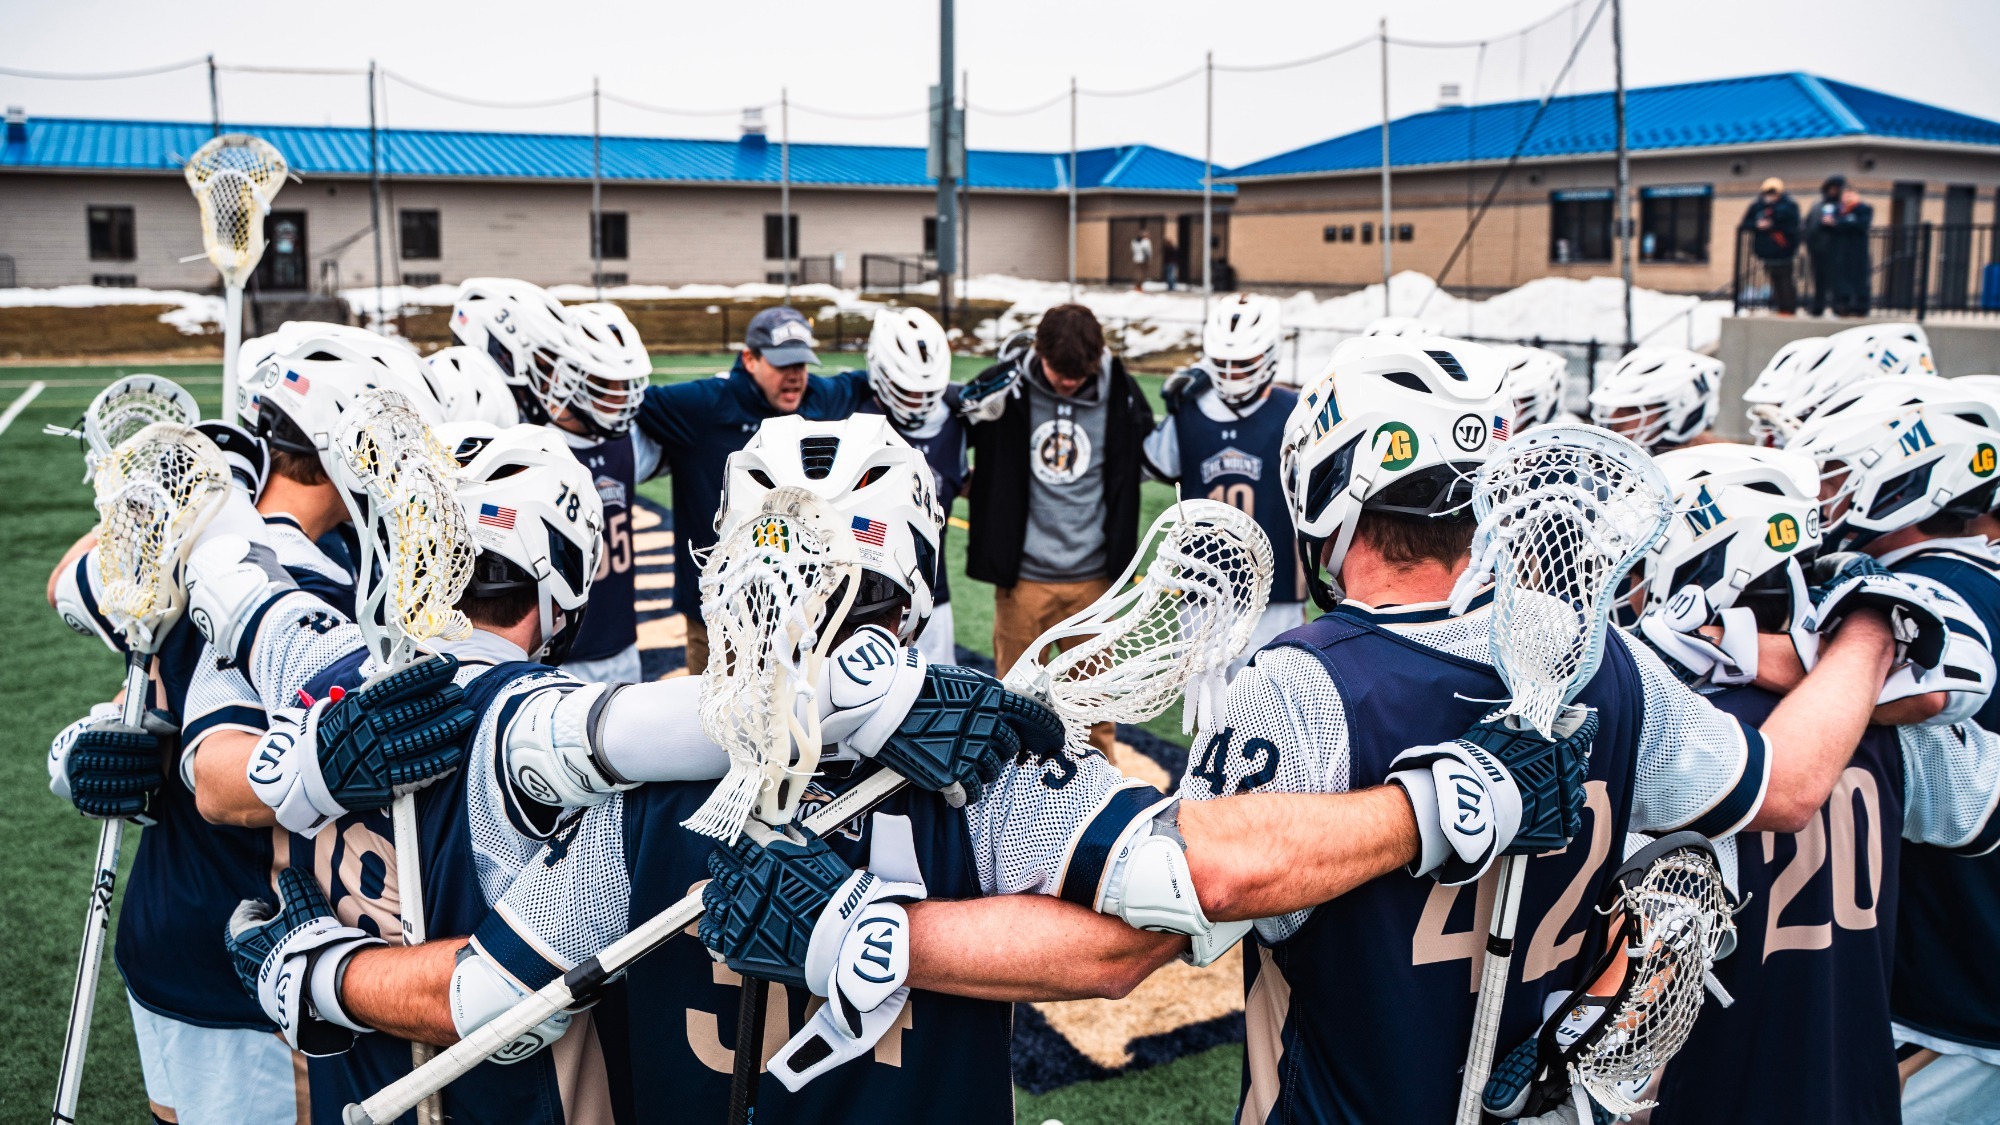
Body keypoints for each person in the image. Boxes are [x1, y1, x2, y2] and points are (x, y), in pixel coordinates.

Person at [707, 335, 1910, 1124]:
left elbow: (1163, 911)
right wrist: (1864, 633)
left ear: (1326, 490)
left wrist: (863, 931)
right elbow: (1787, 783)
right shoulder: (1606, 660)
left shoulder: (1300, 680)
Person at [326, 417, 1121, 1124]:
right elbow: (1148, 919)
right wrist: (894, 936)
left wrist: (318, 976)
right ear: (914, 584)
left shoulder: (634, 786)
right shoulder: (990, 763)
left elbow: (487, 999)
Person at [39, 328, 443, 1125]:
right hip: (250, 939)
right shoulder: (303, 579)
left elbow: (69, 585)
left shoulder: (189, 539)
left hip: (164, 922)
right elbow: (223, 782)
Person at [1632, 443, 2000, 1125]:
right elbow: (1983, 804)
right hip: (1856, 1085)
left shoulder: (1669, 728)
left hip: (1717, 1089)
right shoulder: (1876, 721)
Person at [1789, 376, 2000, 1121]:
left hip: (1953, 999)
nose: (1829, 498)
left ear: (1912, 479)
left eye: (1844, 475)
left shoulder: (1906, 601)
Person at [957, 304, 1155, 751]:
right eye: (1057, 371)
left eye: (1079, 375)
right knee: (1015, 703)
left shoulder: (1121, 390)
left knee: (1094, 708)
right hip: (1023, 578)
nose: (1068, 382)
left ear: (1098, 359)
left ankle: (1103, 800)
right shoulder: (1005, 388)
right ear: (1037, 352)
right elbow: (950, 429)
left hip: (1095, 582)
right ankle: (1008, 799)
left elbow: (1150, 454)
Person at [632, 305, 869, 674]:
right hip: (721, 611)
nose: (794, 377)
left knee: (805, 720)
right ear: (750, 359)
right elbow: (629, 402)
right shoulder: (705, 405)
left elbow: (866, 384)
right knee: (713, 723)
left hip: (805, 607)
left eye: (801, 366)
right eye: (782, 365)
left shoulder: (818, 398)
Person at [448, 279, 653, 685]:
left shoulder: (627, 441)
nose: (620, 396)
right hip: (556, 642)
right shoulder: (527, 448)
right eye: (606, 383)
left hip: (622, 639)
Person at [1144, 292, 1307, 671]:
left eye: (1243, 363)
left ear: (1269, 355)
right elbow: (1142, 464)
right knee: (1207, 717)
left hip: (1274, 591)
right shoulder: (1187, 411)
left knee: (1270, 710)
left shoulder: (1296, 413)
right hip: (1202, 591)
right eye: (1222, 363)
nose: (1232, 373)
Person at [850, 306, 965, 665]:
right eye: (906, 390)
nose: (917, 401)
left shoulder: (957, 419)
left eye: (925, 391)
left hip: (934, 594)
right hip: (862, 597)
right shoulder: (853, 420)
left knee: (940, 707)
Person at [1586, 346, 1725, 454]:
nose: (1614, 418)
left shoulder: (1707, 473)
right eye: (1616, 408)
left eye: (1632, 409)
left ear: (1682, 411)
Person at [1740, 177, 1803, 314]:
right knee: (1774, 280)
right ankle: (1780, 307)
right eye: (1768, 193)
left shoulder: (1789, 206)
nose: (1770, 197)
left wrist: (1773, 225)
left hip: (1784, 251)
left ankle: (1788, 308)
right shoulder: (1758, 207)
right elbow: (1745, 224)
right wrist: (1757, 225)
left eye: (1773, 193)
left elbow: (1793, 226)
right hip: (1766, 251)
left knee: (1785, 281)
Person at [1807, 175, 1847, 316]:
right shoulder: (1818, 206)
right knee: (1819, 280)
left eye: (1836, 189)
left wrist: (1835, 224)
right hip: (1818, 249)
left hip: (1837, 250)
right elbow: (1809, 225)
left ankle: (1838, 307)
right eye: (1831, 188)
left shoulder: (1843, 206)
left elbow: (1848, 226)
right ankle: (1818, 307)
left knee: (1837, 281)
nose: (1833, 191)